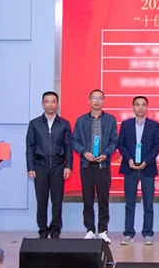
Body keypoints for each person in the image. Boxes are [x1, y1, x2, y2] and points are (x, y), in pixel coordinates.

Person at [72, 89, 118, 243]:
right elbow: (74, 140)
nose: (97, 101)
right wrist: (84, 152)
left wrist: (106, 154)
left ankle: (103, 230)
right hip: (86, 165)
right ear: (89, 101)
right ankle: (90, 230)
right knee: (88, 199)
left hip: (103, 165)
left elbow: (114, 141)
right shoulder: (81, 120)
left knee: (103, 199)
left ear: (103, 101)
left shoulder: (110, 120)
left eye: (99, 98)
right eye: (94, 98)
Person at [26, 91, 73, 239]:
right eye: (47, 101)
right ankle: (43, 230)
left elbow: (68, 146)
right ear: (42, 104)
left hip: (58, 166)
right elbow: (30, 147)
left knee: (57, 201)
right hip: (40, 166)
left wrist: (68, 165)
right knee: (41, 201)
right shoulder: (35, 124)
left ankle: (55, 230)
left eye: (53, 101)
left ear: (57, 104)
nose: (50, 104)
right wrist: (30, 168)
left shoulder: (64, 124)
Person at [117, 96, 159, 245]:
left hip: (147, 168)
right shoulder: (126, 124)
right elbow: (121, 144)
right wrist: (129, 159)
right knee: (129, 203)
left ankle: (148, 233)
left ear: (147, 107)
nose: (140, 107)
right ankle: (128, 233)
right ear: (133, 107)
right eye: (137, 105)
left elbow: (156, 146)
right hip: (130, 168)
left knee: (148, 203)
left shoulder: (154, 125)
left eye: (143, 105)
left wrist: (146, 161)